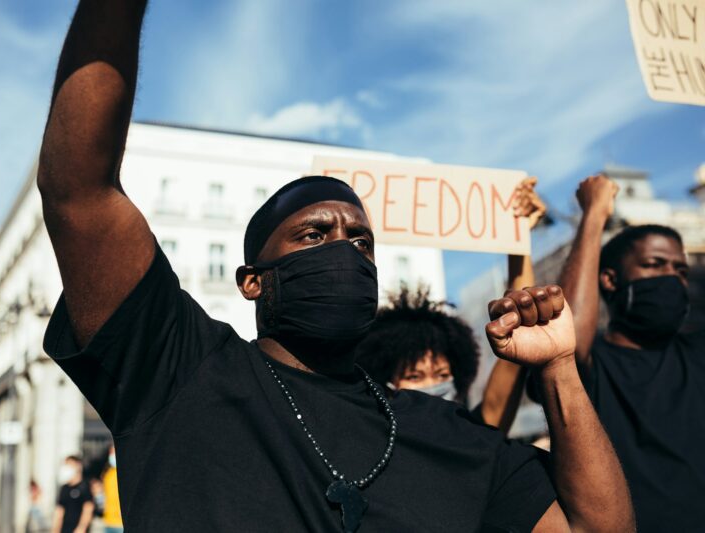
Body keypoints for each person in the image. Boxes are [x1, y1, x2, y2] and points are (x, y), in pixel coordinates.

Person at [37, 1, 633, 530]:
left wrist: (558, 368)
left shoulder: (446, 436)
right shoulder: (182, 373)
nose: (345, 249)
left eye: (362, 241)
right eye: (314, 233)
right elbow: (79, 192)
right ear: (252, 282)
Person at [560, 174, 705, 532]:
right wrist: (594, 215)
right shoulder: (591, 367)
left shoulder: (697, 353)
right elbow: (566, 339)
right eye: (655, 265)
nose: (672, 278)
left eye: (681, 270)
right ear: (609, 280)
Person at [355, 179, 546, 433]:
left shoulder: (473, 437)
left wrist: (518, 238)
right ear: (385, 385)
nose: (433, 386)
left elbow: (517, 331)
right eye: (414, 377)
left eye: (443, 375)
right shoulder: (367, 447)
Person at [51, 456, 94, 533]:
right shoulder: (64, 488)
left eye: (70, 464)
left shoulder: (84, 487)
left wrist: (81, 528)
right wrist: (55, 529)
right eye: (66, 465)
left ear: (78, 466)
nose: (67, 468)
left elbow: (88, 509)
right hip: (64, 529)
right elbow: (59, 510)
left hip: (78, 530)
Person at [101, 446, 123, 533]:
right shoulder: (107, 473)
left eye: (114, 452)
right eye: (111, 453)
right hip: (108, 521)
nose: (112, 455)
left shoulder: (125, 472)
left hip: (120, 523)